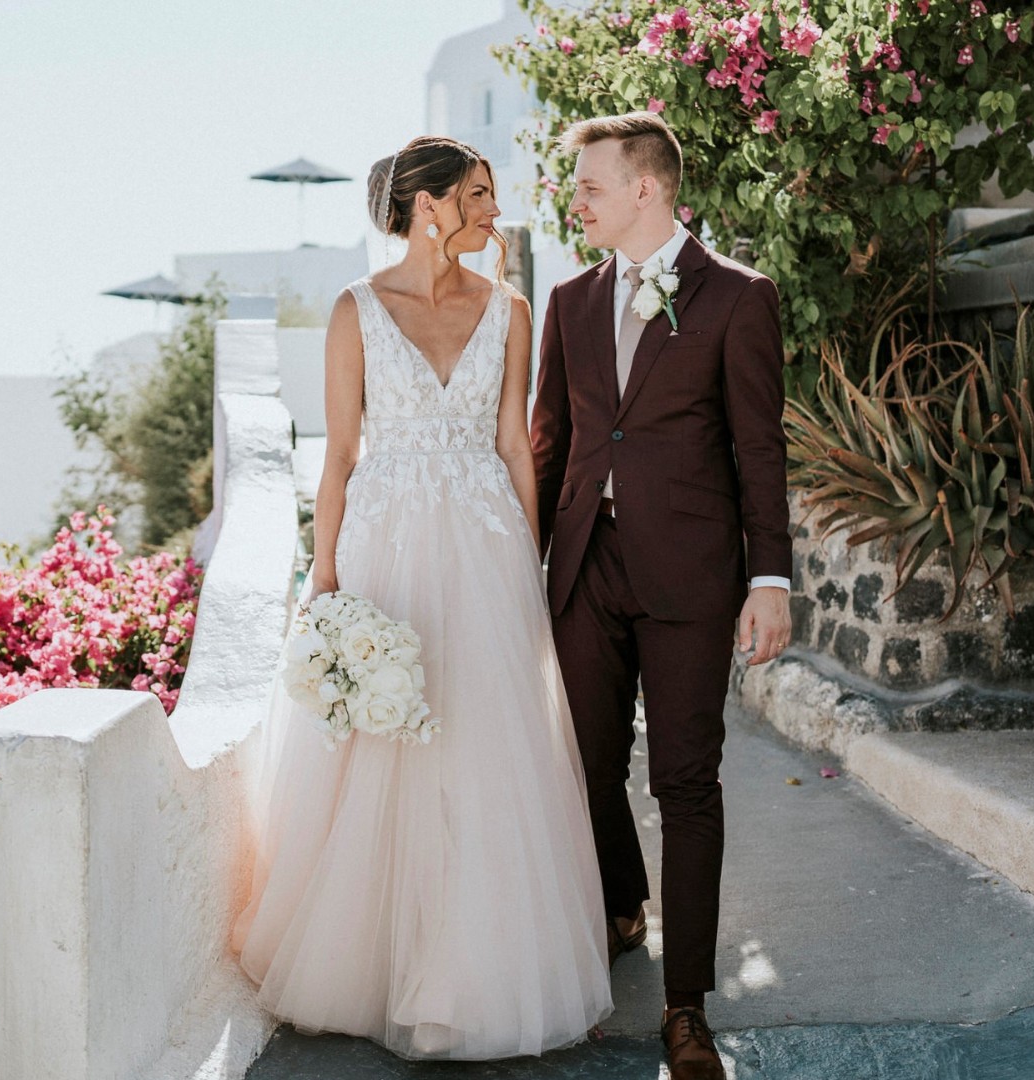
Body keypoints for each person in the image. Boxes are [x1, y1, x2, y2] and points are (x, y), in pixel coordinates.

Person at [230, 135, 614, 1060]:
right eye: (478, 196)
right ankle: (376, 964)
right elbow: (340, 456)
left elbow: (518, 446)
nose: (492, 211)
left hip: (486, 547)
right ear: (428, 206)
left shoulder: (512, 309)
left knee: (485, 744)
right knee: (384, 746)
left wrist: (529, 561)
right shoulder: (354, 310)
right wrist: (324, 578)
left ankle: (476, 970)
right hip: (386, 545)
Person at [530, 111, 795, 1080]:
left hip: (689, 577)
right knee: (585, 767)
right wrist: (521, 567)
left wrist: (770, 577)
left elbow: (758, 448)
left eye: (591, 184)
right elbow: (548, 441)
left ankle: (685, 1008)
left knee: (686, 783)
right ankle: (619, 902)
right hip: (583, 570)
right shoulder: (565, 301)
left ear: (648, 188)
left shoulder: (737, 299)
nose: (579, 199)